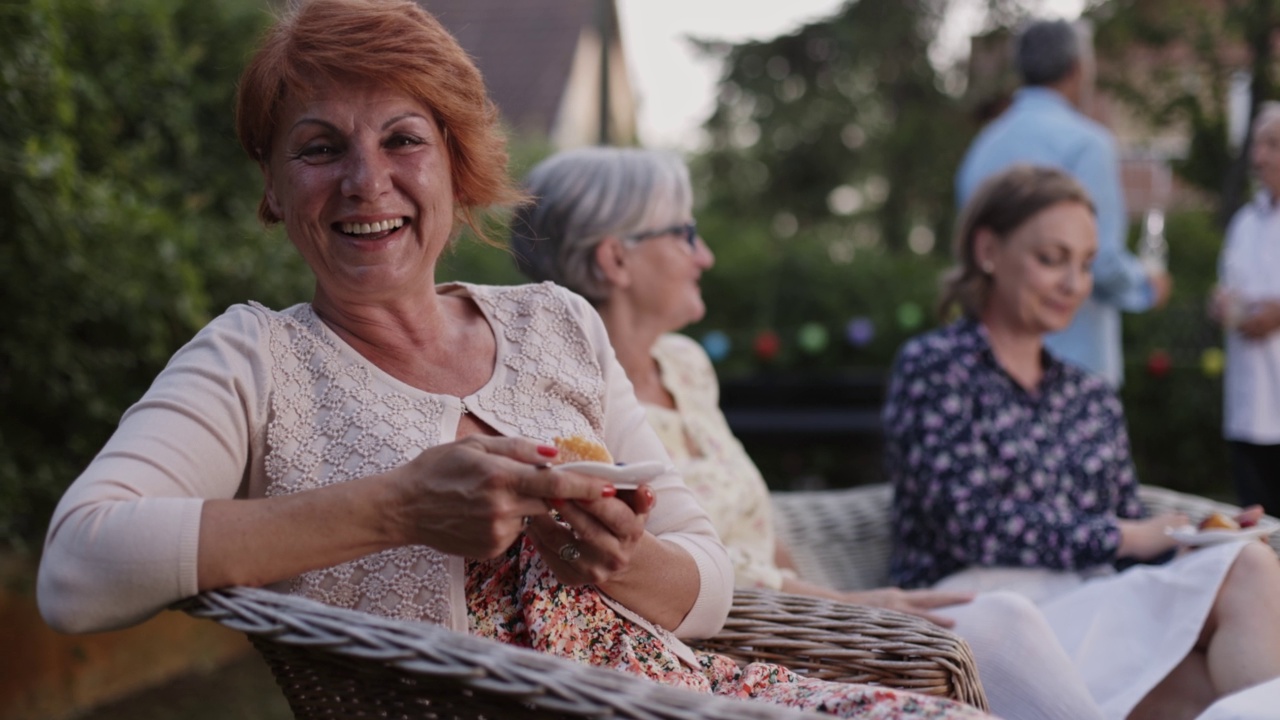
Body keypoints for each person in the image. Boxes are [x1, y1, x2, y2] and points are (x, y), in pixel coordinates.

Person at [36, 2, 991, 717]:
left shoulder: (555, 323)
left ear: (456, 167)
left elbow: (704, 579)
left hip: (685, 693)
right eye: (319, 148)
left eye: (403, 139)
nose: (367, 182)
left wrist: (624, 559)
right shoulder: (255, 361)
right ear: (276, 192)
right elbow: (76, 573)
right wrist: (396, 507)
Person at [510, 145, 1112, 720]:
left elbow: (760, 527)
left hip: (812, 623)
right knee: (1002, 617)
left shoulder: (685, 366)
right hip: (733, 650)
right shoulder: (575, 403)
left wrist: (842, 612)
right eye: (686, 234)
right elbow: (646, 568)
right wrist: (849, 610)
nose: (706, 256)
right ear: (616, 259)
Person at [886, 163, 1280, 720]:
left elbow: (1127, 542)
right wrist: (1128, 535)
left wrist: (1190, 541)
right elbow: (967, 524)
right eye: (1052, 259)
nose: (1074, 285)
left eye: (1087, 264)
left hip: (1090, 608)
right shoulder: (935, 369)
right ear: (988, 250)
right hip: (976, 612)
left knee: (1247, 566)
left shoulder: (1089, 395)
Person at [954, 19, 1171, 387]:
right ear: (1077, 69)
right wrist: (1145, 287)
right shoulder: (1087, 146)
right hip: (1073, 369)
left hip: (989, 367)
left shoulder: (983, 148)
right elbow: (1100, 261)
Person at [1211, 101, 1280, 513]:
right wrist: (1222, 306)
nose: (1259, 156)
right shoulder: (1244, 223)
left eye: (1272, 144)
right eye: (1257, 144)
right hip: (1248, 404)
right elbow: (1229, 288)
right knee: (1257, 527)